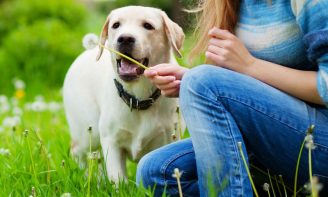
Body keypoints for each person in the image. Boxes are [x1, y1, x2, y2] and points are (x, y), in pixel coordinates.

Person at [136, 0, 328, 196]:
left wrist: (249, 65)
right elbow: (246, 90)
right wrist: (189, 82)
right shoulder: (228, 3)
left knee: (201, 82)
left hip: (320, 142)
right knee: (155, 172)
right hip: (276, 141)